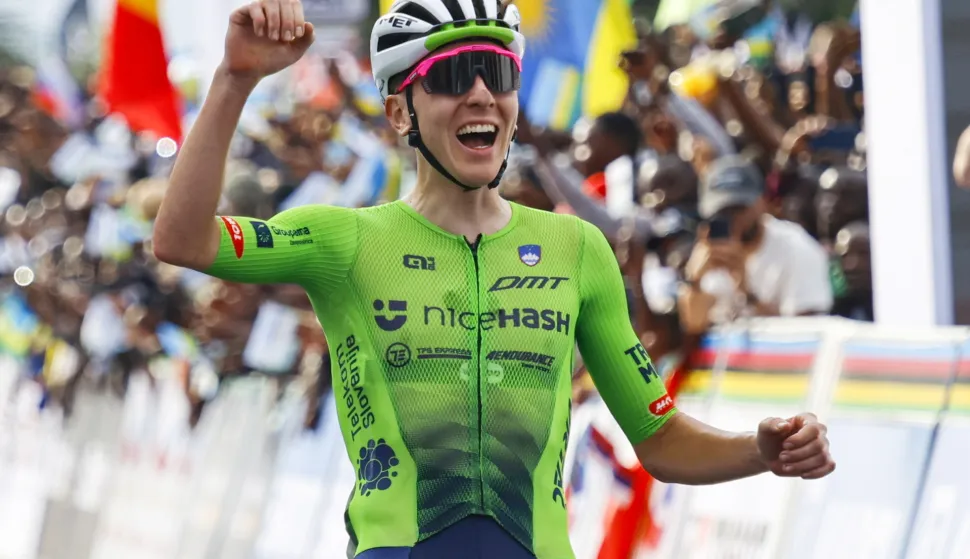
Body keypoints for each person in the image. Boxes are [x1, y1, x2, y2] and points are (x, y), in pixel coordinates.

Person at [151, 2, 835, 558]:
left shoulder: (576, 247)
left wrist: (760, 449)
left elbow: (657, 438)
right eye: (453, 76)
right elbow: (182, 238)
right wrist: (235, 80)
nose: (481, 93)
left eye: (498, 74)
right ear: (399, 112)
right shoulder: (346, 239)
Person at [679, 155, 833, 332]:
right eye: (723, 211)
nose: (733, 219)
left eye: (739, 208)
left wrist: (746, 291)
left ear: (761, 202)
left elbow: (806, 335)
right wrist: (694, 281)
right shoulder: (709, 250)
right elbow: (694, 325)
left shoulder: (797, 248)